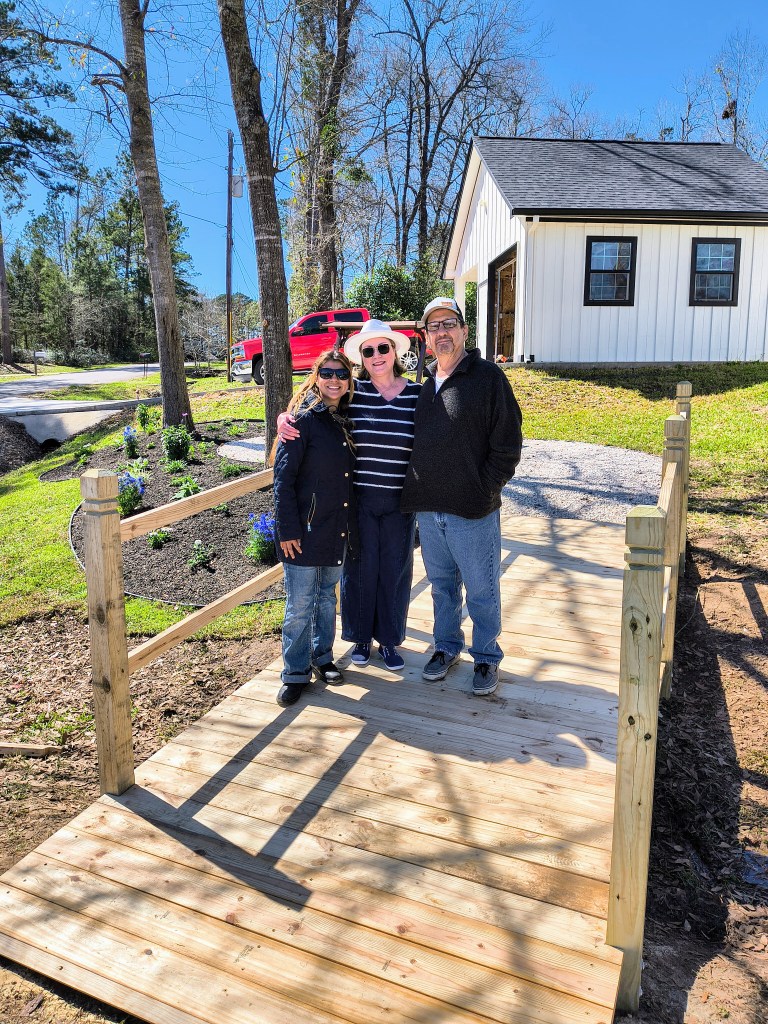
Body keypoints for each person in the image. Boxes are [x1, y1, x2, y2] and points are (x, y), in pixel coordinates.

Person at [277, 320, 420, 672]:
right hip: (357, 501)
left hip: (400, 501)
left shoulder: (418, 394)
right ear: (361, 357)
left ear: (395, 351)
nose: (376, 355)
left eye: (382, 348)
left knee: (394, 571)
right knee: (359, 570)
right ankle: (359, 638)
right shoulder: (355, 395)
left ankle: (388, 640)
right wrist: (286, 418)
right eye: (368, 350)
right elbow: (318, 409)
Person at [400, 297, 523, 697]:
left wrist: (486, 487)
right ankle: (447, 647)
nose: (442, 333)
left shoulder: (487, 378)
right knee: (441, 587)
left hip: (473, 511)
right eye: (434, 327)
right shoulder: (420, 387)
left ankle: (486, 655)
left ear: (464, 331)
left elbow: (508, 442)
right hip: (430, 511)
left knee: (483, 589)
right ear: (425, 338)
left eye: (449, 324)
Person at [272, 349, 356, 707]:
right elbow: (283, 479)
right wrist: (287, 529)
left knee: (326, 599)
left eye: (341, 374)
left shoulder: (347, 416)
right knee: (300, 604)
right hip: (303, 532)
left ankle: (322, 658)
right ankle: (294, 672)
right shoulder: (302, 420)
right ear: (316, 376)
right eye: (328, 373)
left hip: (336, 528)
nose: (334, 380)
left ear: (349, 380)